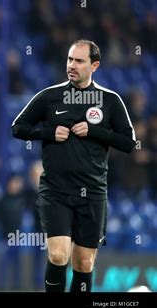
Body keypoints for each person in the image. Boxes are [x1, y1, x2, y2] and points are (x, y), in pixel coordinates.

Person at [11, 39, 136, 292]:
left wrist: (96, 131)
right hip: (55, 191)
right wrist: (46, 132)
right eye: (70, 59)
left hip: (92, 192)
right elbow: (18, 127)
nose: (72, 65)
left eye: (79, 61)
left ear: (95, 65)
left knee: (84, 262)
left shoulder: (109, 101)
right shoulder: (49, 97)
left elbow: (129, 142)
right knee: (58, 255)